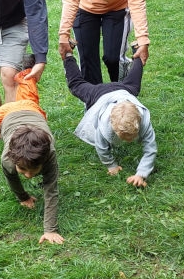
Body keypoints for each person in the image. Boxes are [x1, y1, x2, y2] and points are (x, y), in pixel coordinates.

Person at [0, 65, 63, 245]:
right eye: (23, 169)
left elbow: (51, 190)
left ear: (44, 159)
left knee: (30, 100)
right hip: (4, 116)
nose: (29, 175)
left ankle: (27, 72)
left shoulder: (50, 154)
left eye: (34, 170)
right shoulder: (7, 159)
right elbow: (12, 177)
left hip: (30, 108)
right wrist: (23, 196)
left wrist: (50, 230)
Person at [62, 42, 156, 188]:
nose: (127, 141)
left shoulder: (144, 120)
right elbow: (101, 147)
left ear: (139, 120)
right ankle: (68, 55)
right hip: (98, 94)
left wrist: (141, 174)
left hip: (124, 91)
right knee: (76, 85)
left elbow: (150, 149)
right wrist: (111, 165)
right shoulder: (104, 123)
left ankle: (138, 50)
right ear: (112, 124)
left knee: (135, 80)